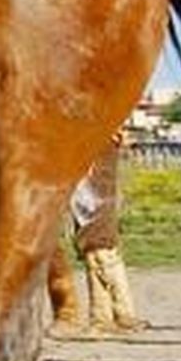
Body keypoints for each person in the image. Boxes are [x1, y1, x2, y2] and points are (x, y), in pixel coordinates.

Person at [47, 134, 146, 336]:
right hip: (91, 146)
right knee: (98, 245)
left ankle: (119, 314)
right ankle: (107, 315)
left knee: (99, 244)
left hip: (93, 147)